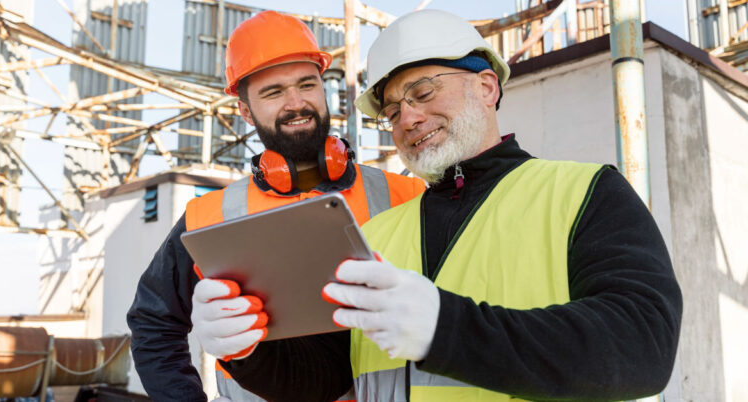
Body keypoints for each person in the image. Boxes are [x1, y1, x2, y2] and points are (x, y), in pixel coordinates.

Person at [217, 9, 684, 402]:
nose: (409, 118)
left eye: (423, 92)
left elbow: (643, 344)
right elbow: (323, 377)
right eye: (393, 111)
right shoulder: (378, 233)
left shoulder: (584, 193)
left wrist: (447, 329)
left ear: (485, 87)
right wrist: (246, 349)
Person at [126, 11, 425, 402]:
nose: (296, 103)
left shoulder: (408, 195)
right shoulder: (209, 216)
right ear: (245, 111)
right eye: (273, 92)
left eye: (307, 84)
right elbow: (153, 323)